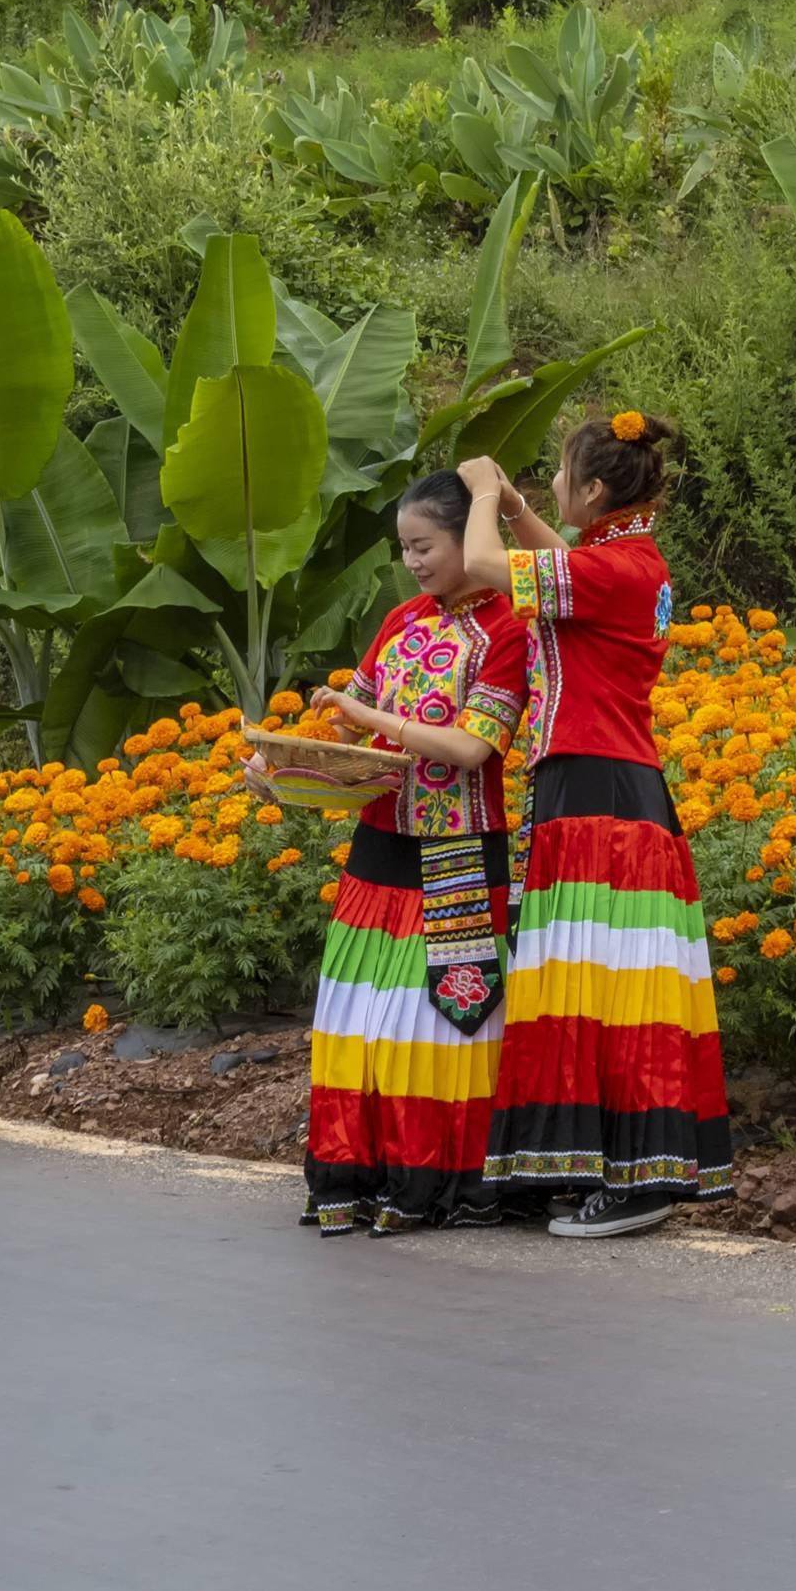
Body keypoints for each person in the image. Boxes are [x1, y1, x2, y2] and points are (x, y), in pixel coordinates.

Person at [462, 412, 731, 1234]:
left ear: (595, 491)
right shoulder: (625, 560)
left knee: (610, 984)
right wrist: (511, 502)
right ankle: (606, 1166)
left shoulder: (614, 570)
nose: (547, 483)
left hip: (599, 793)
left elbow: (483, 566)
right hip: (606, 786)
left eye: (558, 473)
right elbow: (556, 558)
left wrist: (479, 496)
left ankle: (639, 1181)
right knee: (600, 980)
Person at [290, 469, 533, 1235]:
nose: (414, 563)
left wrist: (370, 717)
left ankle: (438, 1182)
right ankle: (357, 1176)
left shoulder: (507, 630)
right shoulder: (400, 619)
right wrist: (285, 768)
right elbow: (347, 729)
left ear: (469, 538)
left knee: (437, 1024)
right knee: (362, 1020)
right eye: (404, 549)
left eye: (424, 545)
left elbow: (469, 747)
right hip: (378, 848)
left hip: (457, 852)